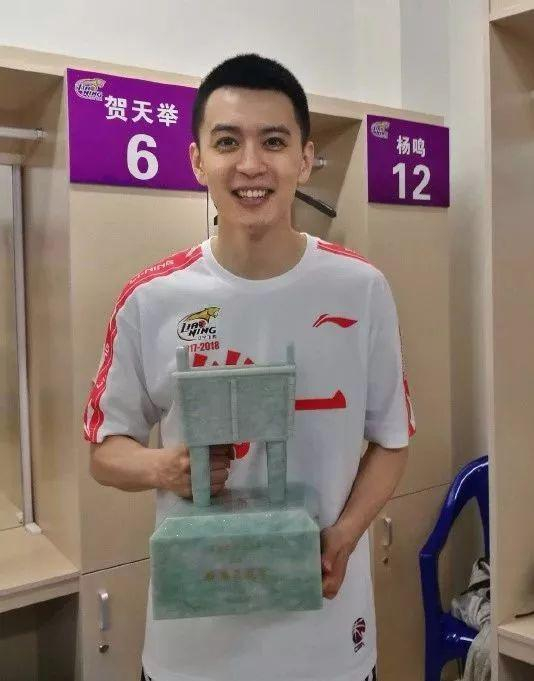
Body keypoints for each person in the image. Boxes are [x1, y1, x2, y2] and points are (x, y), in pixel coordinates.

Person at [85, 53, 415, 681]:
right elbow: (105, 450)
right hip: (192, 654)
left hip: (328, 646)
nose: (251, 164)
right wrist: (165, 467)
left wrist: (345, 534)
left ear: (306, 158)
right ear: (196, 160)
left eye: (274, 141)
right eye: (227, 141)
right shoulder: (151, 299)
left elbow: (393, 439)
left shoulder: (362, 289)